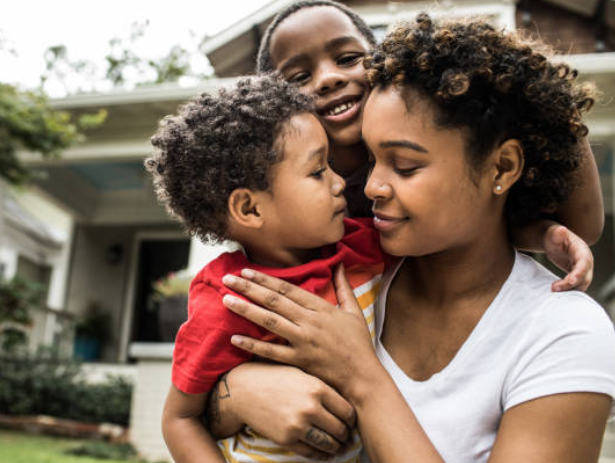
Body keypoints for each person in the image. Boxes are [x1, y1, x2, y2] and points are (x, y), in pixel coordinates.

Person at [216, 14, 615, 463]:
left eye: (404, 165)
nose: (371, 187)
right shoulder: (347, 271)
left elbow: (574, 212)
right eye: (369, 160)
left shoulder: (561, 331)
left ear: (502, 168)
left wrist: (362, 378)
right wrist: (233, 394)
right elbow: (205, 380)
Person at [148, 75, 389, 463]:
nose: (340, 182)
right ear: (250, 209)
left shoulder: (361, 248)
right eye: (317, 171)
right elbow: (180, 419)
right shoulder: (230, 300)